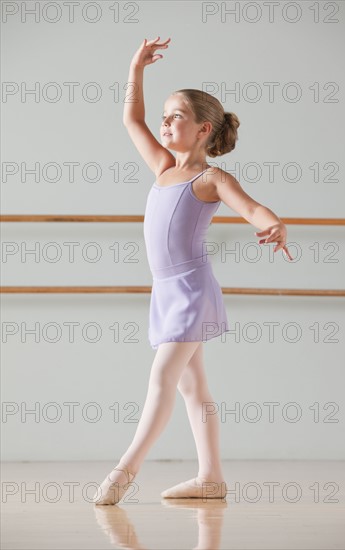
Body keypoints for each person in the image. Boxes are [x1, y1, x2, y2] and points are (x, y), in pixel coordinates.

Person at [93, 37, 293, 505]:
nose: (165, 121)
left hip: (190, 290)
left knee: (163, 378)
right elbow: (131, 118)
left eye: (176, 116)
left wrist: (274, 225)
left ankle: (125, 471)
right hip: (165, 292)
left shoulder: (211, 180)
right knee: (191, 384)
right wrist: (135, 69)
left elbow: (252, 208)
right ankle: (211, 478)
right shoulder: (162, 167)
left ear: (204, 129)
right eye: (165, 114)